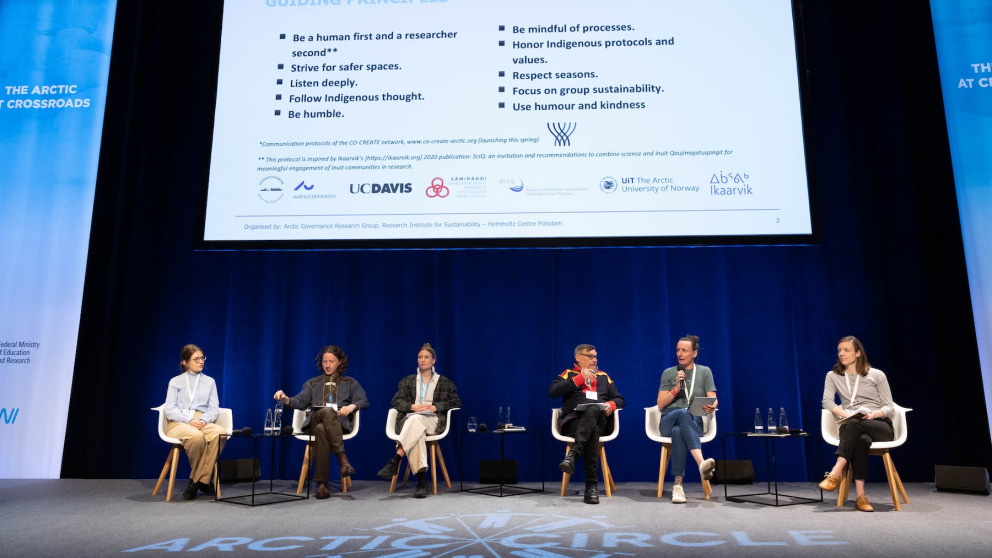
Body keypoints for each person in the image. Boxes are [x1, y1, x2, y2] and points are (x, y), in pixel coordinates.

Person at [274, 345, 368, 500]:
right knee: (326, 412)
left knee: (321, 430)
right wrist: (285, 399)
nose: (328, 365)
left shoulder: (350, 383)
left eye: (331, 361)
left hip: (338, 426)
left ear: (339, 362)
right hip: (314, 419)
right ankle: (342, 459)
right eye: (325, 361)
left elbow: (363, 401)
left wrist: (351, 406)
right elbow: (299, 401)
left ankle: (322, 484)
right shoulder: (313, 383)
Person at [818, 336, 895, 512]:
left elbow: (890, 407)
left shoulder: (876, 374)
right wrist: (847, 414)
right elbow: (827, 402)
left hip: (878, 425)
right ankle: (860, 496)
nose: (841, 354)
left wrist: (876, 413)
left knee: (854, 425)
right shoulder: (833, 376)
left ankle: (835, 473)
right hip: (852, 424)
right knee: (860, 439)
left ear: (858, 353)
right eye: (839, 350)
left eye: (846, 350)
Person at [377, 343, 461, 498]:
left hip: (433, 420)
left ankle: (397, 458)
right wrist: (412, 407)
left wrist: (435, 407)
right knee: (417, 429)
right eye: (420, 357)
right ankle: (422, 483)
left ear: (434, 360)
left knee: (417, 422)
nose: (423, 360)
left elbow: (455, 402)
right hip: (411, 420)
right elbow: (396, 401)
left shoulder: (445, 382)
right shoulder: (407, 381)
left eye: (426, 357)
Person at [548, 343, 625, 504]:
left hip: (601, 419)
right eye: (590, 356)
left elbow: (620, 400)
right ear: (578, 357)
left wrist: (610, 405)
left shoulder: (604, 376)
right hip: (573, 422)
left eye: (595, 356)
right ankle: (591, 487)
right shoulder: (569, 374)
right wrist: (579, 379)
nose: (594, 360)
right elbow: (553, 391)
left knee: (593, 410)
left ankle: (573, 455)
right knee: (593, 431)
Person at [656, 334, 718, 504]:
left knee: (679, 431)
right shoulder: (669, 373)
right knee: (681, 416)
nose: (679, 353)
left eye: (684, 350)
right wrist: (676, 388)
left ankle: (678, 487)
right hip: (669, 418)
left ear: (694, 353)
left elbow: (712, 397)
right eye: (678, 350)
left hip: (694, 421)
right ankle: (701, 463)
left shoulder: (705, 372)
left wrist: (712, 405)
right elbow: (660, 404)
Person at [163, 344, 224, 501]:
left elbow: (214, 408)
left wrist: (203, 419)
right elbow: (170, 409)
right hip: (179, 421)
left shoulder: (210, 381)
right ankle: (203, 481)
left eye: (202, 358)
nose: (201, 361)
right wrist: (189, 420)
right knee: (197, 437)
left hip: (202, 420)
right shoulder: (175, 382)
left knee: (220, 433)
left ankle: (197, 481)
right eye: (196, 359)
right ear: (185, 362)